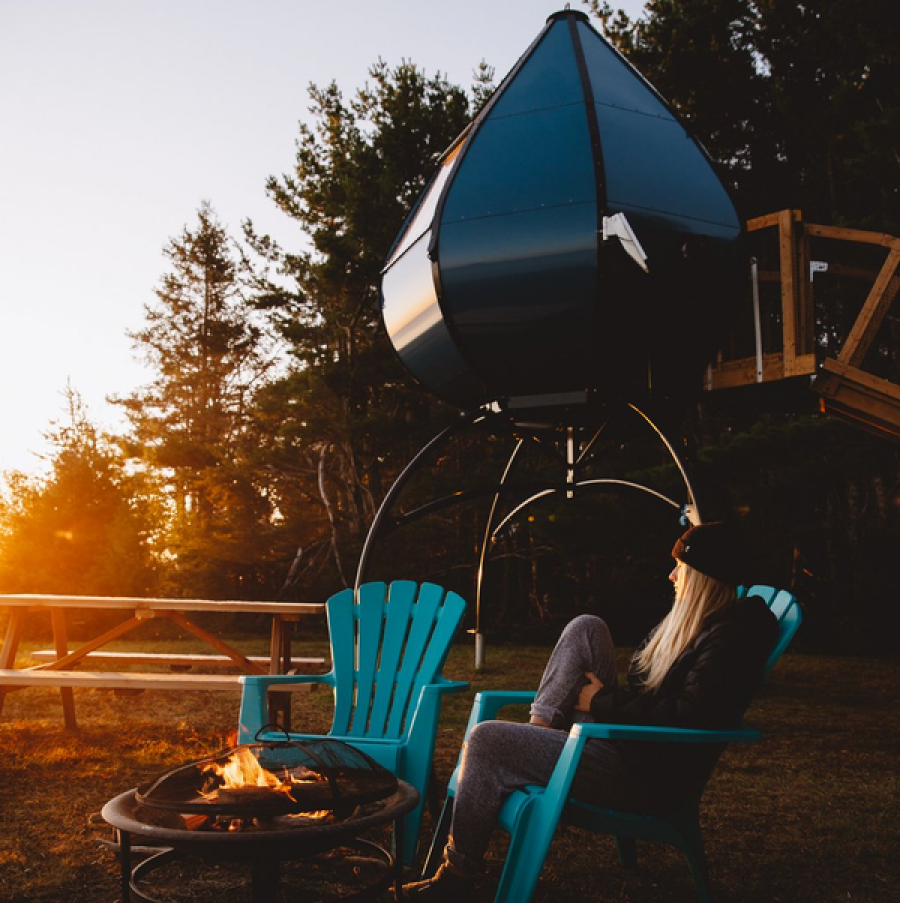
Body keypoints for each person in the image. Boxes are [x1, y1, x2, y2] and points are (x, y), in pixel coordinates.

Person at [402, 521, 778, 901]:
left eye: (681, 566)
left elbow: (687, 716)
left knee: (486, 740)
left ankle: (456, 877)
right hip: (627, 746)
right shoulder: (710, 625)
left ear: (703, 577)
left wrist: (600, 703)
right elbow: (647, 681)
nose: (671, 575)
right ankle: (541, 732)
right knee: (587, 627)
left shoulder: (732, 637)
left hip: (641, 774)